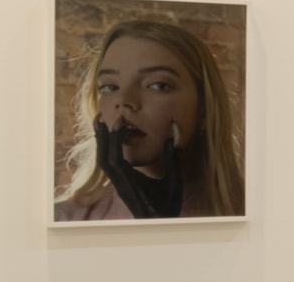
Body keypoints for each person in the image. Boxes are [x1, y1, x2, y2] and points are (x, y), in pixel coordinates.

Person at [54, 19, 245, 221]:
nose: (124, 101)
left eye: (158, 85)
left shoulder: (257, 211)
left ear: (204, 108)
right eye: (110, 87)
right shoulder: (64, 219)